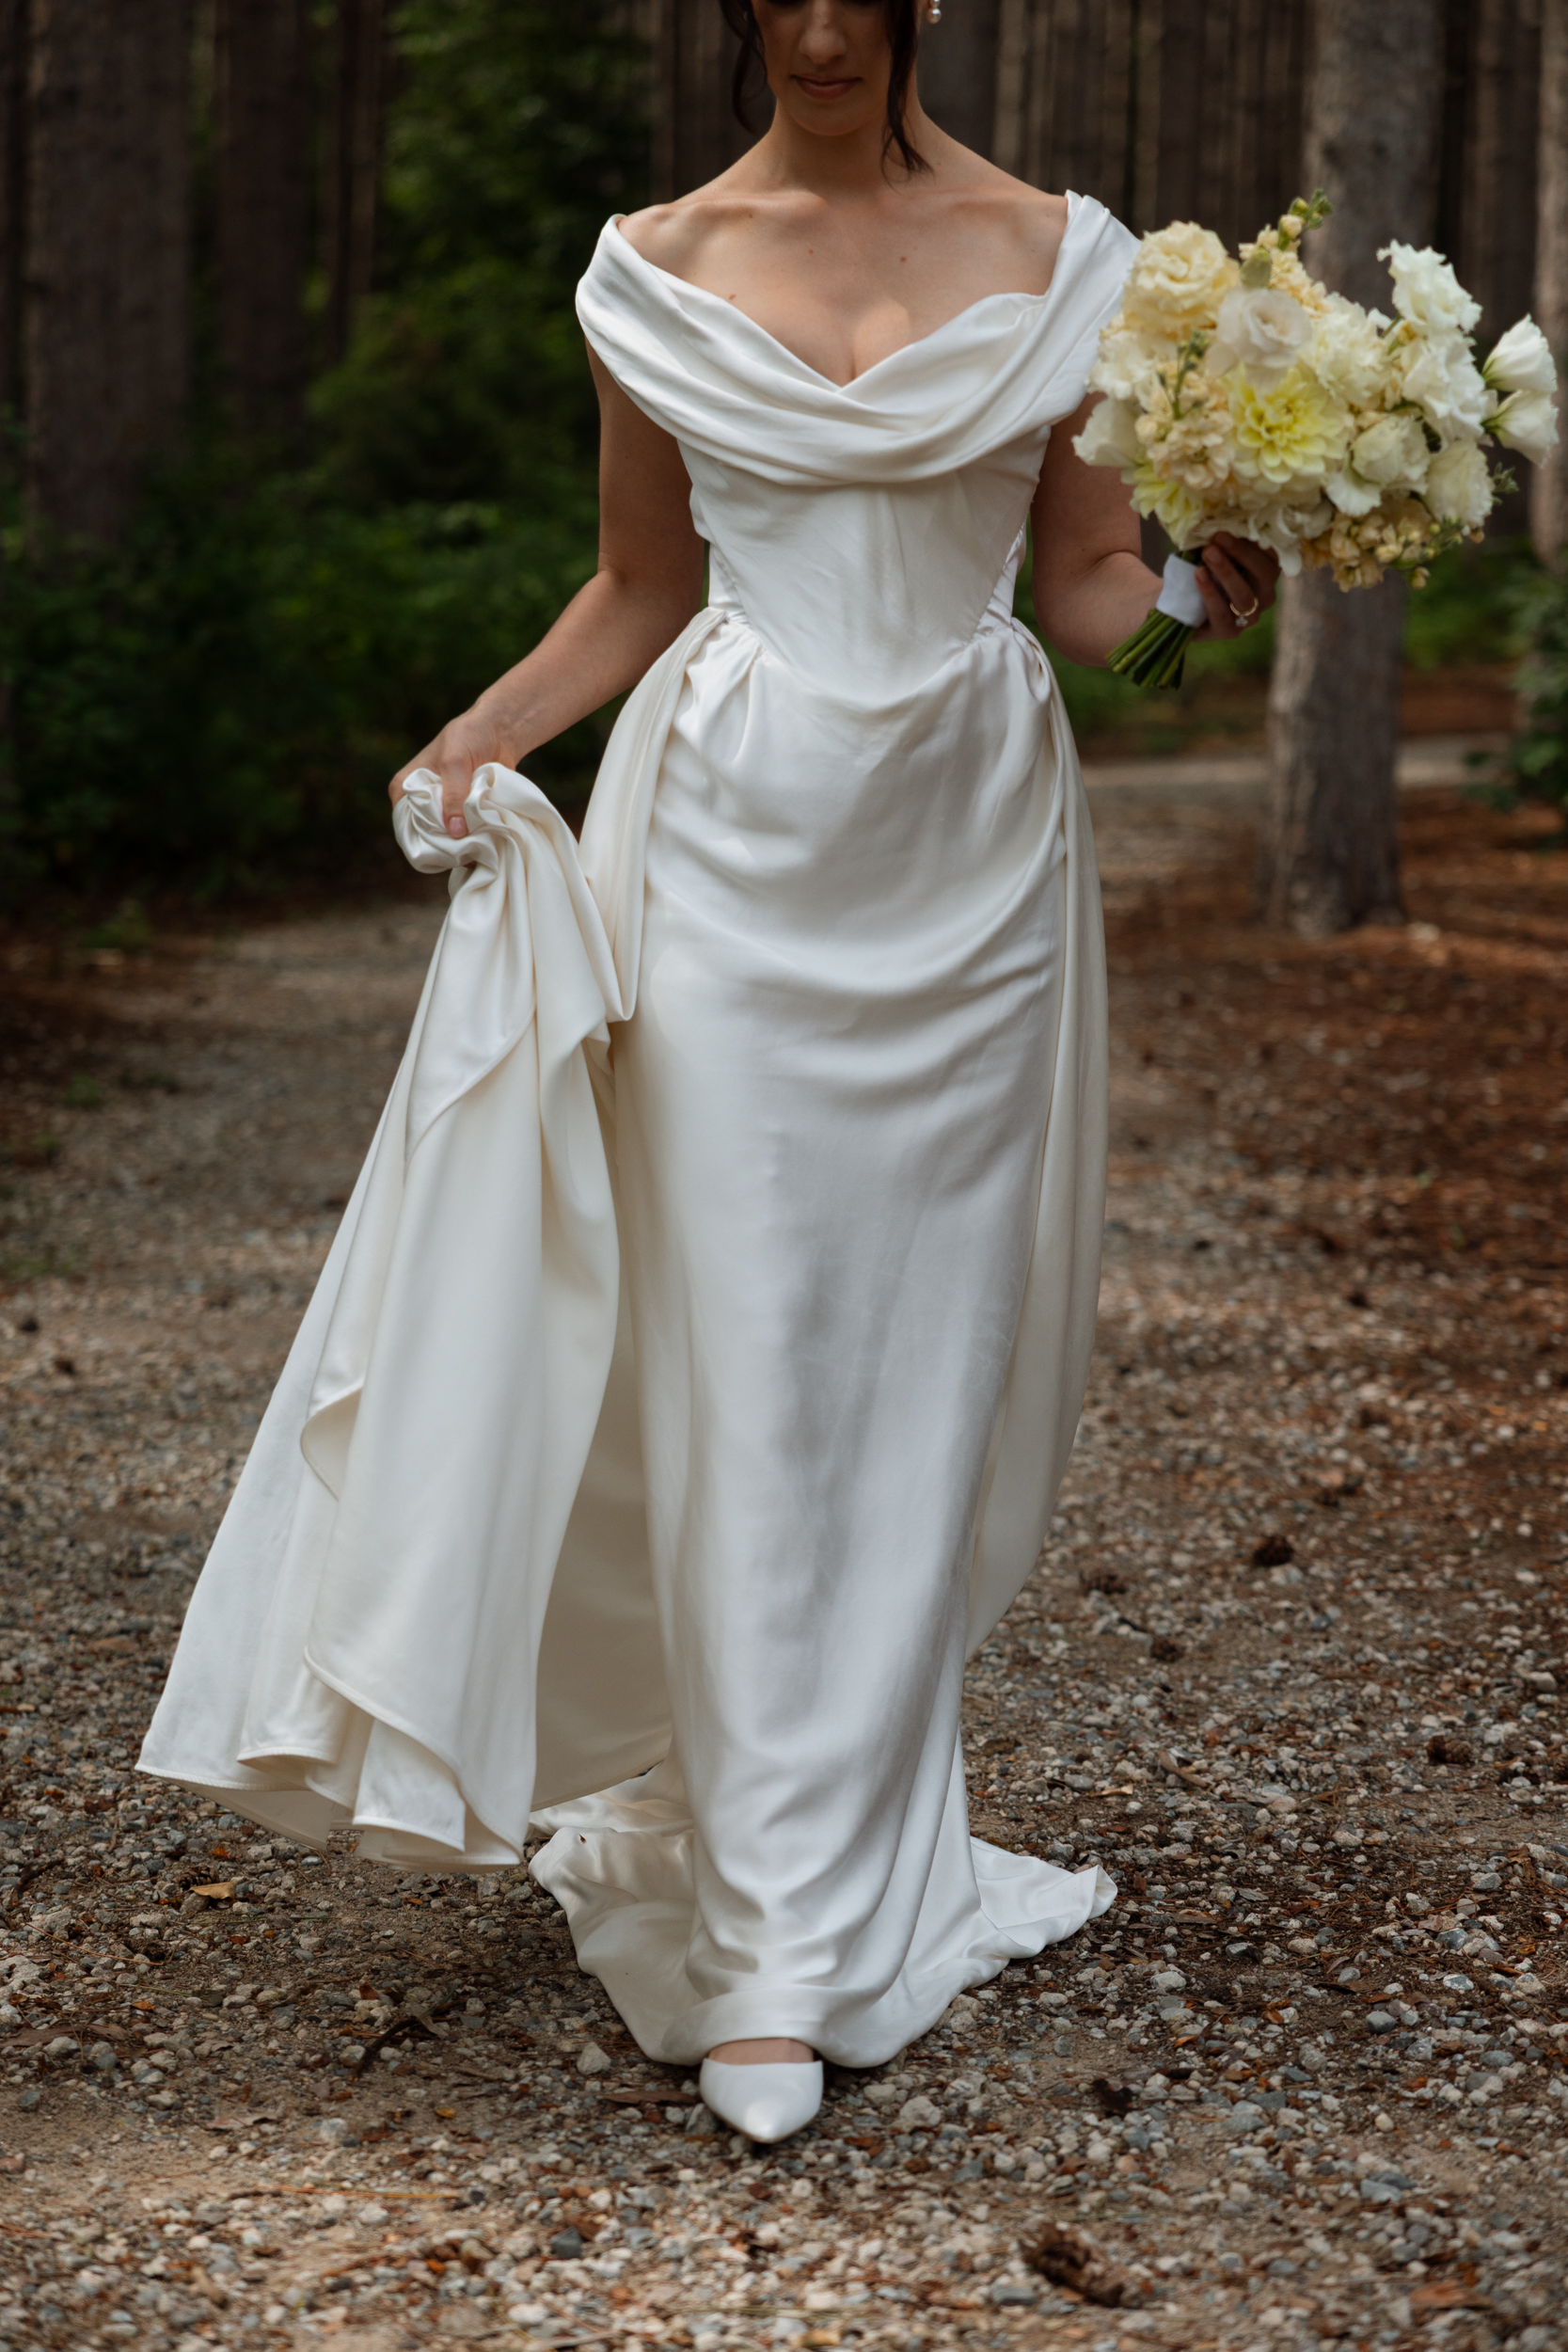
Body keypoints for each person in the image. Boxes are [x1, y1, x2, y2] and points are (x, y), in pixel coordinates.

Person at [140, 0, 1277, 2146]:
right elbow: (642, 584)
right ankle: (764, 1935)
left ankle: (857, 1870)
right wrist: (474, 740)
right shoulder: (651, 261)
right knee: (746, 1356)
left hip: (969, 853)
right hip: (731, 851)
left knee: (910, 1371)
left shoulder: (1073, 256)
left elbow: (1085, 583)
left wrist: (1205, 602)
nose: (827, 25)